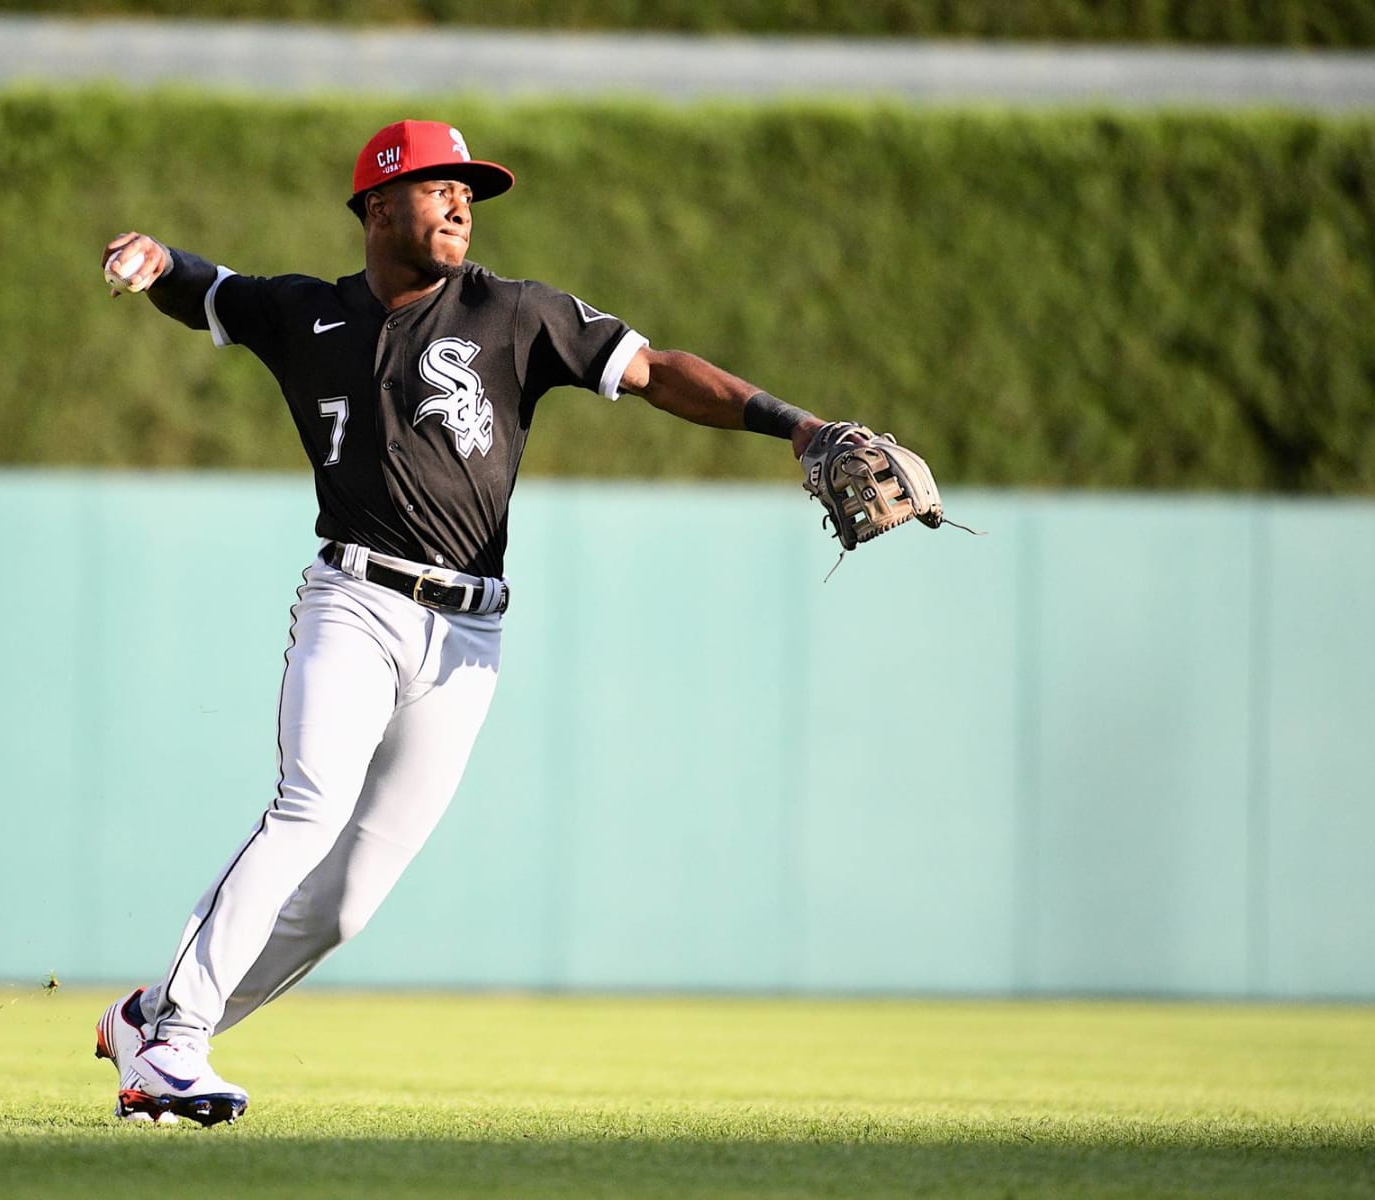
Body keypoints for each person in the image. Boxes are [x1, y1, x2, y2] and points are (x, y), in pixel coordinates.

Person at [92, 118, 836, 1126]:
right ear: (374, 205)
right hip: (354, 601)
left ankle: (151, 1016)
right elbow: (206, 289)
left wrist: (798, 428)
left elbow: (655, 371)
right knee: (308, 808)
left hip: (466, 641)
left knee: (346, 904)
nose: (459, 201)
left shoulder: (513, 313)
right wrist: (154, 257)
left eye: (467, 190)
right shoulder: (305, 313)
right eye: (437, 184)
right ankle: (173, 1048)